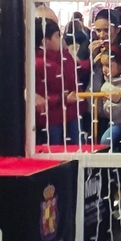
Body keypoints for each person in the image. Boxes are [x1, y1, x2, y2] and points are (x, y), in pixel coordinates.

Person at [35, 18, 88, 146]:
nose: (61, 39)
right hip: (52, 118)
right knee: (55, 151)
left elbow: (77, 70)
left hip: (73, 111)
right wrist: (63, 98)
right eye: (57, 36)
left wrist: (93, 61)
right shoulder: (36, 63)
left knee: (78, 148)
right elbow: (38, 95)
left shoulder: (64, 55)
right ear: (45, 41)